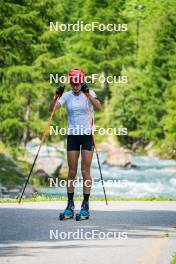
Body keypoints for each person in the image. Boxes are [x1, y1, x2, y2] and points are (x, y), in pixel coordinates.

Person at [49, 68, 101, 220]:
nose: (75, 86)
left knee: (85, 171)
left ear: (82, 82)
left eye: (78, 83)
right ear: (70, 82)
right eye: (73, 83)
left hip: (86, 136)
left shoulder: (89, 93)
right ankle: (70, 204)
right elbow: (51, 109)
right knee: (71, 171)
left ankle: (85, 205)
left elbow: (98, 107)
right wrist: (56, 96)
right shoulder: (66, 96)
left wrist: (88, 94)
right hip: (72, 136)